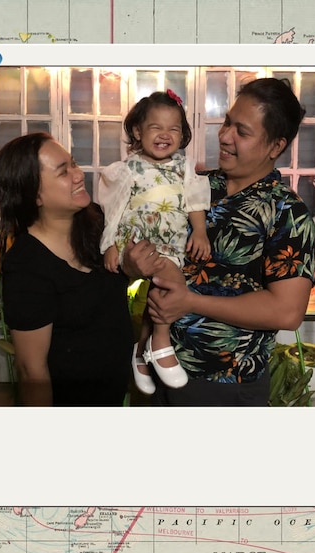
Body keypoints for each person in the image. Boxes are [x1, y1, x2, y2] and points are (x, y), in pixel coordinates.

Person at [121, 77, 315, 406]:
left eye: (242, 131)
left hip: (224, 384)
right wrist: (131, 263)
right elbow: (141, 236)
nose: (224, 136)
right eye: (227, 122)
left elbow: (287, 312)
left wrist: (191, 302)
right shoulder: (192, 184)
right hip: (154, 367)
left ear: (275, 146)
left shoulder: (287, 213)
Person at [0, 133, 133, 406]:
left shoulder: (98, 225)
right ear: (34, 195)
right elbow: (31, 371)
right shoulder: (26, 266)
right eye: (63, 172)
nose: (78, 174)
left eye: (74, 163)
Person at [97, 90, 210, 394]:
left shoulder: (184, 168)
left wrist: (199, 232)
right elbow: (113, 209)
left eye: (174, 128)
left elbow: (195, 202)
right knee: (164, 283)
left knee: (165, 286)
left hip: (171, 241)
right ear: (137, 131)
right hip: (135, 241)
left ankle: (142, 352)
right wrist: (110, 244)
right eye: (155, 127)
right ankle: (160, 342)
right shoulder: (127, 169)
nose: (165, 135)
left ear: (183, 133)